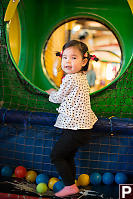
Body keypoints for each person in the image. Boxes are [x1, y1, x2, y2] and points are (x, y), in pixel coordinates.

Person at [45, 40, 99, 198]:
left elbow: (59, 97)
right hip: (81, 130)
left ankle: (69, 186)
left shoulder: (71, 78)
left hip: (76, 130)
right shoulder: (81, 76)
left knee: (56, 155)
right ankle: (71, 184)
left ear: (84, 61)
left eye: (74, 58)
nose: (68, 61)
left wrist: (50, 93)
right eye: (65, 57)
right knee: (67, 156)